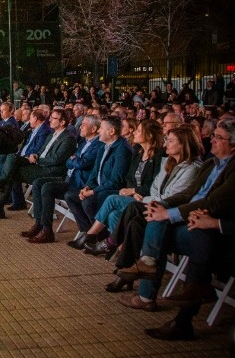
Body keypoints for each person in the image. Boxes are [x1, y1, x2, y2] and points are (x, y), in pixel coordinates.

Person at [114, 118, 235, 313]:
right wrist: (164, 204)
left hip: (210, 227)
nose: (211, 140)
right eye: (213, 136)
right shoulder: (211, 164)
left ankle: (146, 285)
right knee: (154, 215)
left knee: (155, 222)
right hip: (191, 218)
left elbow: (213, 202)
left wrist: (168, 211)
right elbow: (188, 194)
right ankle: (144, 267)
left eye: (218, 137)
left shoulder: (222, 168)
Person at [144, 211, 234, 340]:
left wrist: (215, 223)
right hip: (213, 235)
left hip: (222, 240)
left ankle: (183, 313)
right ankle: (197, 293)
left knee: (197, 235)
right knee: (154, 223)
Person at [80, 119, 165, 253]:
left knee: (111, 199)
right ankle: (122, 250)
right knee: (114, 215)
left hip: (147, 198)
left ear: (149, 135)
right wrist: (132, 191)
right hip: (133, 196)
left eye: (138, 131)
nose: (134, 133)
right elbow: (129, 177)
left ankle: (90, 236)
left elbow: (154, 184)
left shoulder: (160, 157)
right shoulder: (138, 151)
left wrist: (135, 190)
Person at [0, 108, 77, 219]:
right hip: (39, 163)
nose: (49, 120)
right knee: (11, 157)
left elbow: (56, 159)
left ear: (63, 122)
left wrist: (37, 159)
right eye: (50, 117)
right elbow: (41, 151)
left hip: (50, 170)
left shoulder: (69, 139)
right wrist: (35, 155)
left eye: (53, 118)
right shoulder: (51, 135)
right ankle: (0, 197)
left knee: (11, 172)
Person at [22, 114, 103, 243]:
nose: (80, 127)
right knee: (38, 183)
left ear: (93, 129)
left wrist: (74, 160)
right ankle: (39, 224)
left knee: (47, 187)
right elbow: (69, 161)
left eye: (83, 124)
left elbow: (81, 163)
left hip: (79, 183)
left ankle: (47, 231)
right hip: (69, 178)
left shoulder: (98, 145)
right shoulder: (83, 143)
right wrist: (74, 160)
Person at [64, 115, 133, 249]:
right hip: (99, 188)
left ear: (111, 131)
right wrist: (87, 187)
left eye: (101, 128)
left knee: (88, 201)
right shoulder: (104, 146)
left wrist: (92, 192)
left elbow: (116, 181)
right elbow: (95, 172)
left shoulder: (122, 149)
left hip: (113, 190)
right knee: (70, 196)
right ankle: (87, 232)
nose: (99, 131)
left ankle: (99, 237)